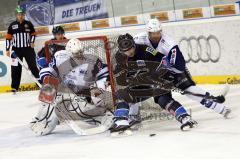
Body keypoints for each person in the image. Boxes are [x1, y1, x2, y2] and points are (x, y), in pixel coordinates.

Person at [133, 18, 231, 118]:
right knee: (160, 98)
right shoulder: (138, 39)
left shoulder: (169, 43)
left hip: (175, 71)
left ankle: (221, 109)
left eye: (158, 33)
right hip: (157, 74)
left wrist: (168, 70)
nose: (155, 36)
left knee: (190, 91)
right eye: (153, 33)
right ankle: (133, 115)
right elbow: (130, 52)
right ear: (148, 33)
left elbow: (179, 66)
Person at [110, 33, 197, 132]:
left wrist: (160, 75)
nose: (129, 52)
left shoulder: (146, 50)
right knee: (123, 94)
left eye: (130, 48)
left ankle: (185, 118)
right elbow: (120, 77)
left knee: (162, 99)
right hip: (141, 84)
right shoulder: (119, 58)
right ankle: (121, 121)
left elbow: (163, 60)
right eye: (125, 51)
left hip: (157, 80)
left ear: (134, 44)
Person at [30, 38, 112, 136]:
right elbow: (48, 70)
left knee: (90, 106)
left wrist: (101, 85)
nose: (78, 56)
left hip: (83, 96)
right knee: (48, 95)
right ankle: (45, 118)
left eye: (80, 52)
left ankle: (91, 115)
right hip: (63, 93)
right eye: (75, 53)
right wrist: (47, 78)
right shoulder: (60, 57)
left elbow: (105, 70)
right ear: (68, 53)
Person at [5, 6, 39, 93]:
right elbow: (8, 38)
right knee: (15, 68)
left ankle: (39, 83)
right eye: (19, 14)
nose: (20, 16)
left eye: (22, 14)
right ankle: (14, 87)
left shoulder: (28, 24)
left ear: (24, 15)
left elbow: (33, 34)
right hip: (16, 51)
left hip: (28, 49)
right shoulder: (12, 25)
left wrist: (32, 42)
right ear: (16, 15)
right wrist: (7, 49)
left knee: (33, 66)